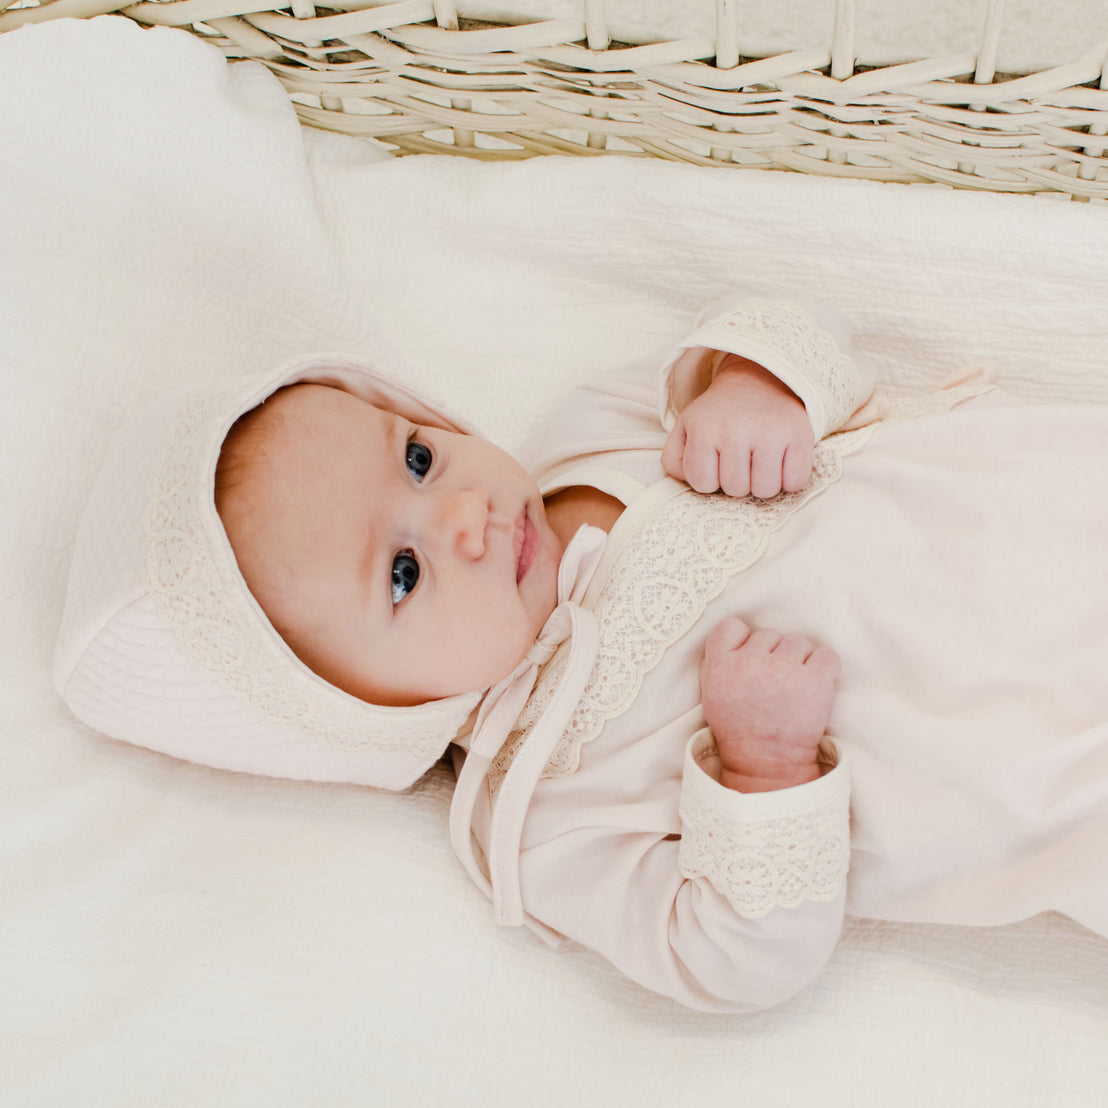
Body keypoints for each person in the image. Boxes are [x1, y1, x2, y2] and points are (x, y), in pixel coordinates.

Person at [54, 295, 1108, 1013]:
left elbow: (803, 343)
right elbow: (732, 958)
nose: (463, 514)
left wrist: (758, 387)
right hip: (1042, 773)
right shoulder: (539, 814)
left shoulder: (592, 440)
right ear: (359, 711)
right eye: (404, 573)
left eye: (417, 457)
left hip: (1037, 514)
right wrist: (762, 770)